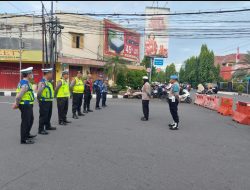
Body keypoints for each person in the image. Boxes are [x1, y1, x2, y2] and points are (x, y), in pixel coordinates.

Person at [12, 67, 36, 144]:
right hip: (25, 105)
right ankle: (24, 139)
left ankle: (27, 134)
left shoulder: (25, 82)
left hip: (28, 104)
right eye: (31, 73)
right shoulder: (25, 84)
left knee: (30, 119)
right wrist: (16, 104)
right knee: (26, 121)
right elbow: (19, 96)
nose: (32, 75)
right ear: (28, 75)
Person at [37, 68, 56, 135]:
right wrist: (39, 100)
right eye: (50, 73)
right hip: (44, 101)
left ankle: (48, 126)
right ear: (47, 74)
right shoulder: (42, 82)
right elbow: (39, 93)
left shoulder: (48, 82)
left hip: (49, 101)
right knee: (43, 116)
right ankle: (41, 129)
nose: (51, 74)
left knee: (48, 115)